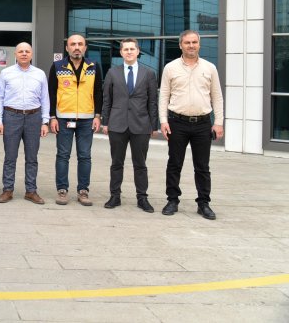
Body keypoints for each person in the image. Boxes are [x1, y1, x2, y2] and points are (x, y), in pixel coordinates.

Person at [159, 30, 224, 220]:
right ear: (180, 45)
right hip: (177, 122)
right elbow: (164, 96)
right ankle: (172, 200)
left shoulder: (210, 68)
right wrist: (163, 120)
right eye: (187, 42)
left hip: (203, 124)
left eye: (194, 42)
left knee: (202, 166)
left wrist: (218, 122)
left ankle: (203, 203)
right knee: (174, 163)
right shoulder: (170, 68)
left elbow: (217, 97)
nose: (191, 46)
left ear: (199, 44)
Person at [101, 38, 159, 212]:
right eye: (125, 49)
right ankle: (115, 196)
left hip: (141, 125)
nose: (129, 52)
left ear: (138, 51)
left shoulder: (149, 73)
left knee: (140, 164)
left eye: (132, 49)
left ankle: (142, 198)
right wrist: (105, 122)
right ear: (121, 52)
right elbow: (107, 99)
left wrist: (154, 125)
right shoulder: (112, 72)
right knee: (116, 163)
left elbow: (152, 101)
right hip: (117, 124)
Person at [48, 34, 102, 206]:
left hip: (87, 120)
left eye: (80, 44)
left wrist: (98, 116)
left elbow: (99, 92)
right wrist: (52, 117)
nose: (76, 47)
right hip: (63, 119)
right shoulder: (58, 66)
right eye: (73, 44)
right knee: (63, 155)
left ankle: (83, 191)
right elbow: (51, 93)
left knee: (85, 156)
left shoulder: (94, 66)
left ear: (85, 47)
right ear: (67, 48)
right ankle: (62, 190)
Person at [0, 42, 50, 204]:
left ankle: (31, 191)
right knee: (10, 156)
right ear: (15, 54)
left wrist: (45, 121)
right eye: (21, 51)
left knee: (32, 157)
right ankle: (7, 190)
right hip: (11, 116)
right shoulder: (6, 73)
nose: (24, 54)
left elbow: (45, 98)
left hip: (34, 117)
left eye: (27, 51)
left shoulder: (40, 74)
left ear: (31, 54)